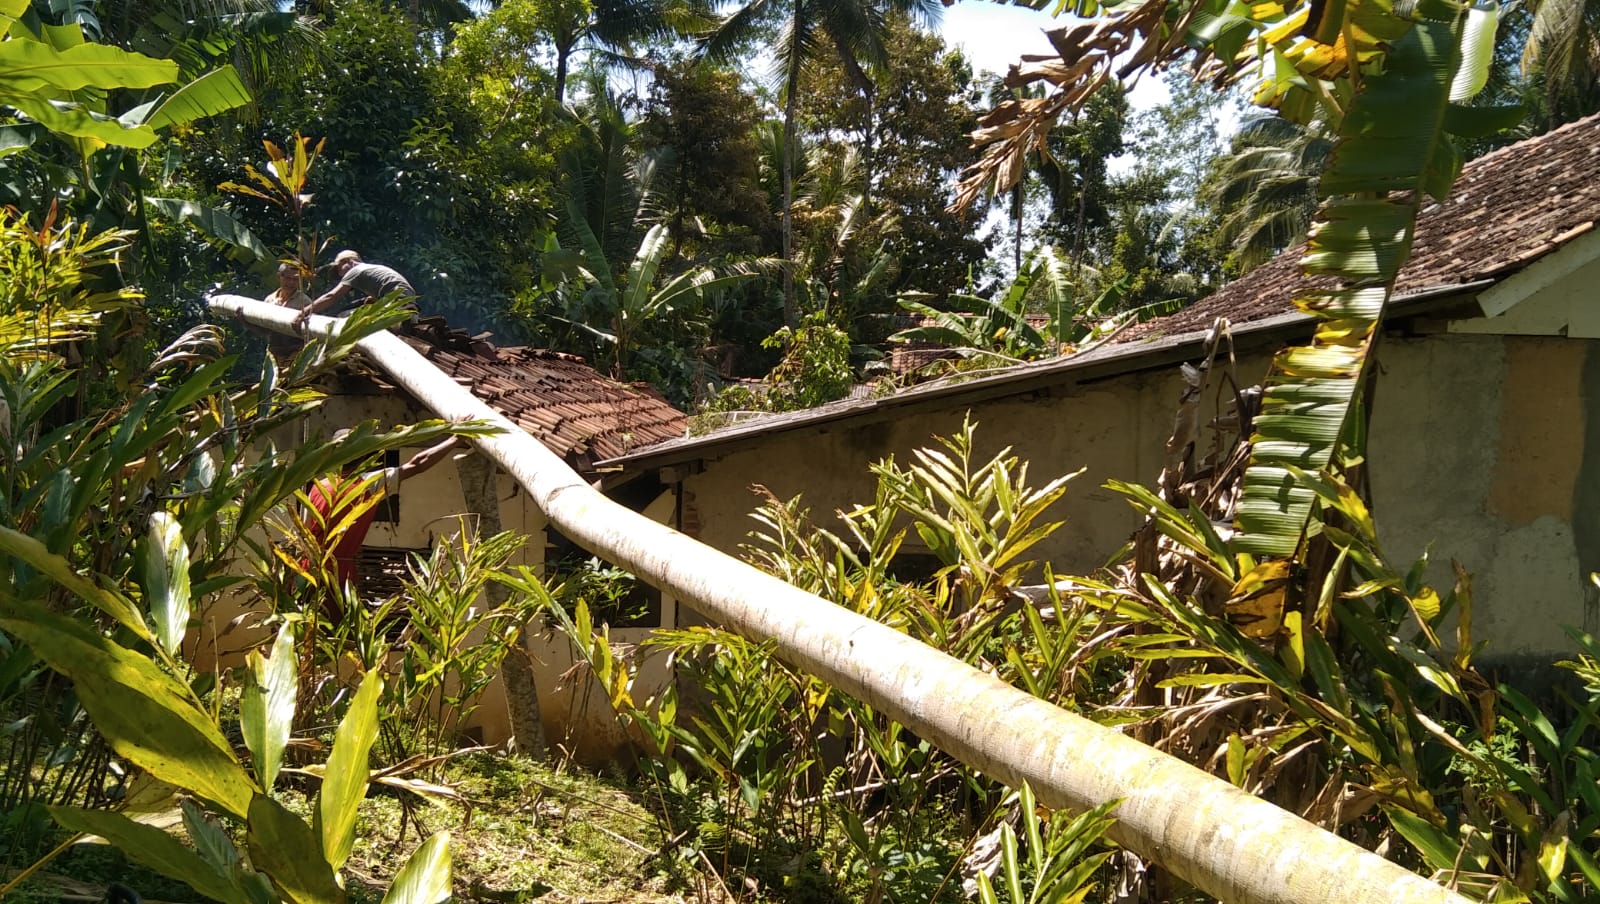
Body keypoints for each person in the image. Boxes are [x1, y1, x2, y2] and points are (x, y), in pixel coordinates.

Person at [304, 433, 462, 601]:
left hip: (308, 570)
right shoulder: (368, 484)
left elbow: (303, 533)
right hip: (338, 574)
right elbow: (417, 464)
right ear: (363, 454)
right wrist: (455, 440)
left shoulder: (318, 487)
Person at [296, 250, 417, 327]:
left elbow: (331, 296)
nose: (340, 274)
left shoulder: (355, 270)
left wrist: (303, 313)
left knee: (341, 318)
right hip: (410, 310)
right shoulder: (373, 268)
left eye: (339, 269)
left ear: (348, 261)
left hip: (395, 310)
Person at [264, 262, 311, 368]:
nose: (291, 283)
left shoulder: (305, 302)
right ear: (279, 276)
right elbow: (265, 330)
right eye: (287, 278)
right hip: (274, 351)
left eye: (295, 280)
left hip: (296, 351)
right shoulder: (269, 300)